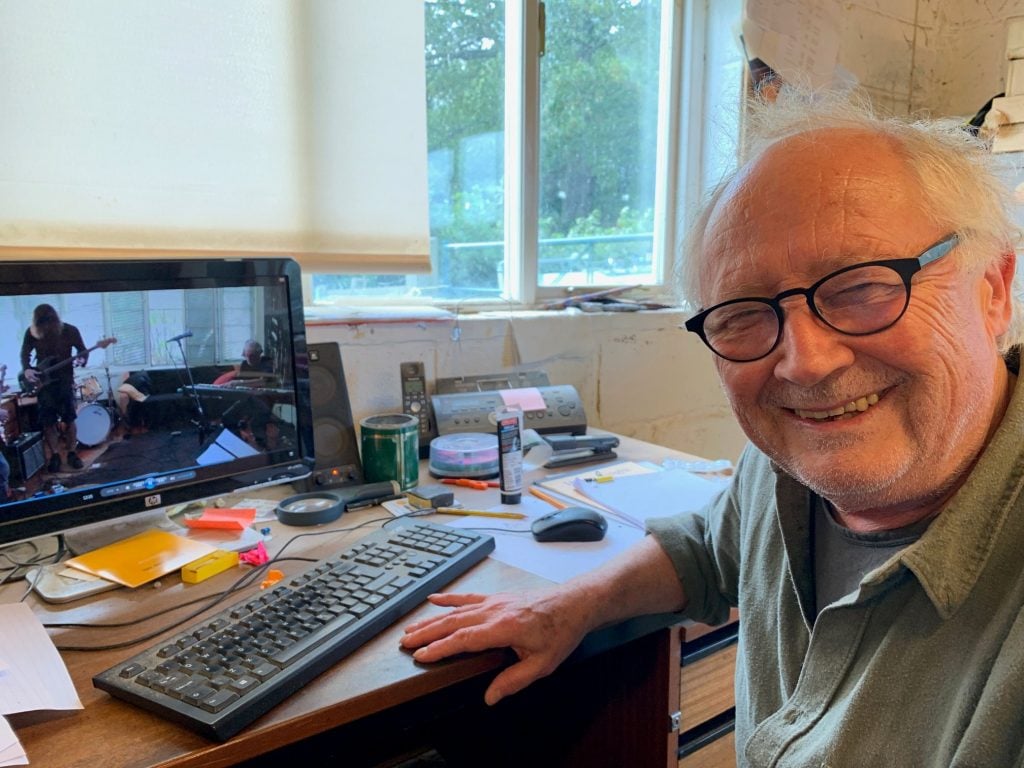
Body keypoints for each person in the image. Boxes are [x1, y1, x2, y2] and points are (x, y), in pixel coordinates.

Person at [400, 88, 1024, 767]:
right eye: (744, 313)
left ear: (993, 287)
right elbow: (708, 547)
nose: (805, 364)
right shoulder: (784, 462)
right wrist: (570, 605)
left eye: (862, 286)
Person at [20, 304, 89, 472]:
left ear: (55, 319)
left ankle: (72, 453)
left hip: (65, 381)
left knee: (70, 419)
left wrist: (82, 359)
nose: (46, 327)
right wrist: (27, 369)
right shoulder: (31, 333)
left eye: (49, 322)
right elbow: (24, 354)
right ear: (37, 323)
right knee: (48, 422)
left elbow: (82, 350)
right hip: (44, 384)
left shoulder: (70, 330)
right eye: (42, 323)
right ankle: (56, 455)